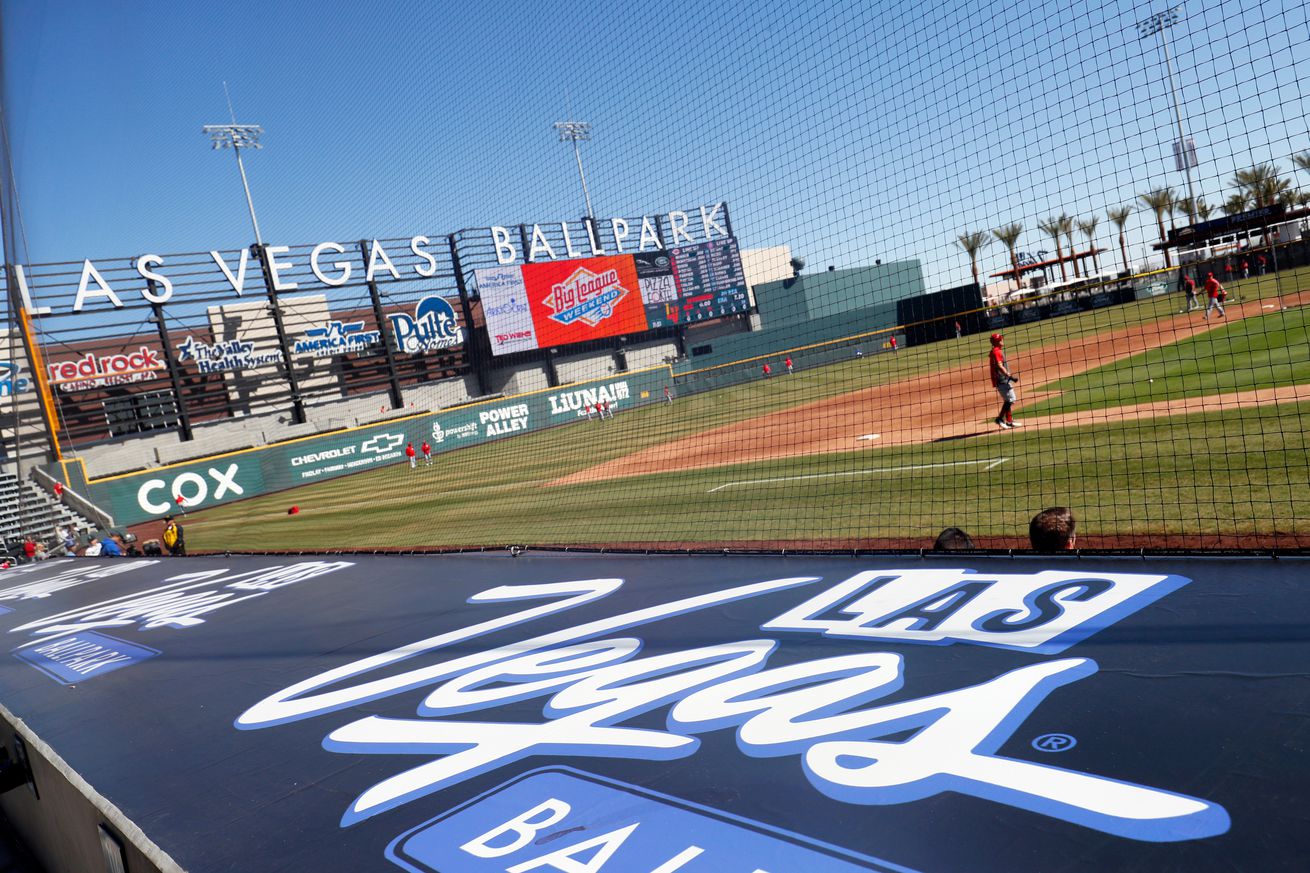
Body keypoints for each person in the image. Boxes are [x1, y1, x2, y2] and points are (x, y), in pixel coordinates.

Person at [988, 333, 1021, 430]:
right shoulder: (996, 351)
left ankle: (1009, 421)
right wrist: (1008, 375)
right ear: (996, 342)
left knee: (1008, 400)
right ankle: (999, 419)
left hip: (1002, 379)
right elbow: (999, 365)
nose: (1002, 341)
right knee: (1011, 399)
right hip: (1002, 379)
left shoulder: (996, 351)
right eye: (1000, 340)